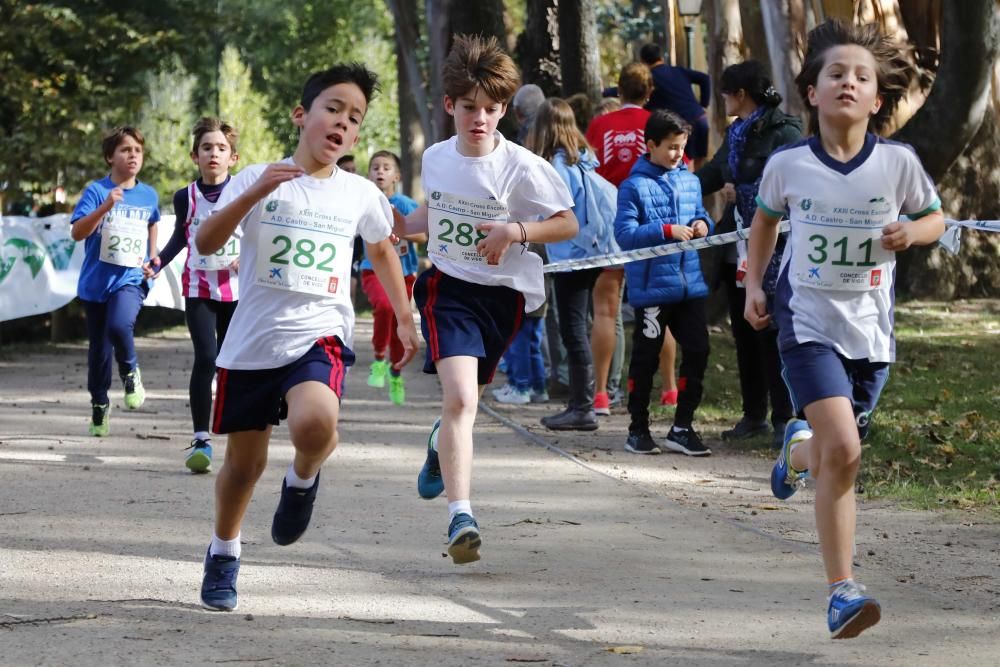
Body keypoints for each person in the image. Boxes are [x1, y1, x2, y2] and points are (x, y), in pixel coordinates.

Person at [194, 63, 419, 612]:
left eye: (356, 118)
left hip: (320, 332)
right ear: (302, 115)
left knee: (316, 423)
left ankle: (303, 478)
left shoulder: (360, 192)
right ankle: (224, 551)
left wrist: (407, 316)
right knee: (243, 468)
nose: (344, 123)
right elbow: (205, 241)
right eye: (333, 109)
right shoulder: (255, 179)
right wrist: (251, 196)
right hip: (252, 341)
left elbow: (382, 248)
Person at [746, 21, 943, 639]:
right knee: (848, 453)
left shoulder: (896, 163)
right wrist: (754, 284)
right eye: (836, 74)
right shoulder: (788, 165)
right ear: (812, 92)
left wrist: (912, 232)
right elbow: (763, 226)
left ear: (877, 99)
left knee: (832, 455)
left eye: (861, 76)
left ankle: (795, 452)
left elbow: (936, 218)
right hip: (807, 324)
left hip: (871, 335)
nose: (849, 83)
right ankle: (842, 591)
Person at [397, 35, 577, 565]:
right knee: (462, 402)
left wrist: (515, 232)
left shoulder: (522, 166)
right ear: (450, 105)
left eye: (491, 110)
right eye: (469, 108)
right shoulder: (436, 157)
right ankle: (461, 515)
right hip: (449, 290)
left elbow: (567, 223)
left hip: (503, 299)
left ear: (503, 110)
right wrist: (399, 225)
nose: (480, 119)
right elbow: (433, 212)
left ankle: (438, 446)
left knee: (465, 403)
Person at [697, 60, 802, 448]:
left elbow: (792, 184)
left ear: (741, 95)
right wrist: (681, 188)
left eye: (725, 92)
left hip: (775, 251)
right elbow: (716, 169)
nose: (722, 99)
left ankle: (783, 416)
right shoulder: (736, 132)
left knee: (772, 332)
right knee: (744, 332)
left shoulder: (785, 131)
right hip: (735, 246)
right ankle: (753, 413)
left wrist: (748, 190)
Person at [615, 110, 713, 457]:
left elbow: (701, 214)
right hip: (652, 289)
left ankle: (683, 426)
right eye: (671, 148)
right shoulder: (633, 186)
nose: (677, 155)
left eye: (682, 148)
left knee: (699, 349)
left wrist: (704, 224)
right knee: (646, 357)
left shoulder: (690, 179)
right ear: (651, 144)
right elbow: (624, 235)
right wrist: (665, 231)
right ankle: (637, 429)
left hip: (690, 286)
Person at [145, 118, 241, 473]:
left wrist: (246, 257)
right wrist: (157, 262)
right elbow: (180, 239)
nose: (213, 153)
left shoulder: (243, 192)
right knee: (206, 357)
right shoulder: (185, 196)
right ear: (194, 156)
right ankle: (201, 438)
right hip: (199, 288)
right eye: (206, 148)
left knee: (231, 362)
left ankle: (236, 432)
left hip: (237, 292)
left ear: (233, 157)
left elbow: (257, 236)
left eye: (221, 148)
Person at [530, 97, 615, 431]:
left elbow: (552, 215)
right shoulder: (583, 161)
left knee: (573, 330)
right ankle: (581, 403)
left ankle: (582, 406)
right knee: (580, 326)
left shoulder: (557, 168)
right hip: (590, 253)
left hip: (571, 258)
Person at [70, 126, 160, 437]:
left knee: (120, 326)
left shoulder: (148, 195)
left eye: (137, 150)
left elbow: (152, 222)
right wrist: (107, 205)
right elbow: (77, 232)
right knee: (99, 352)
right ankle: (99, 404)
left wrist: (153, 257)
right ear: (110, 156)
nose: (132, 155)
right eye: (125, 150)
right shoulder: (96, 191)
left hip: (130, 279)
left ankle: (131, 371)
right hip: (96, 284)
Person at [584, 63, 657, 417]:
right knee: (659, 308)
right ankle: (670, 388)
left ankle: (600, 394)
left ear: (619, 90)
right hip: (654, 224)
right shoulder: (658, 124)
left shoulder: (599, 125)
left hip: (611, 224)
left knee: (604, 310)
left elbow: (588, 170)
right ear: (650, 91)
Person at [361, 150, 423, 405]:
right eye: (375, 167)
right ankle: (378, 358)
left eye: (386, 168)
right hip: (372, 268)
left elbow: (424, 236)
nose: (380, 172)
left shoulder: (406, 204)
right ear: (369, 174)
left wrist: (401, 229)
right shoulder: (364, 200)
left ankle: (395, 371)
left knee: (401, 320)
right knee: (385, 306)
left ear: (396, 175)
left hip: (404, 273)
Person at [639, 43, 711, 170]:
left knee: (685, 163)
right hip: (700, 119)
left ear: (643, 62)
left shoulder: (649, 79)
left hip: (681, 126)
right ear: (661, 57)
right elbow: (705, 78)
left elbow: (630, 89)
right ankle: (700, 188)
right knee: (699, 164)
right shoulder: (678, 70)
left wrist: (605, 92)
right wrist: (703, 104)